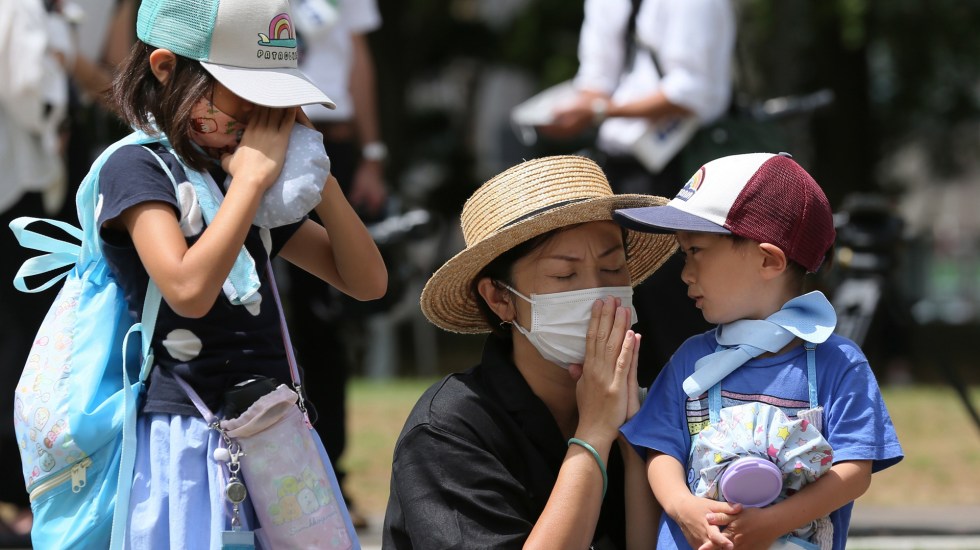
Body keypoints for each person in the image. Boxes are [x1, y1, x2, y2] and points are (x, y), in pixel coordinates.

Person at [101, 0, 387, 546]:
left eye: (277, 102)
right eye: (249, 95)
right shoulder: (136, 169)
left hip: (273, 431)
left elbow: (366, 281)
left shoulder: (236, 181)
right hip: (184, 436)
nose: (265, 117)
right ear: (166, 70)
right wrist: (252, 184)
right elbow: (187, 290)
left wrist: (316, 177)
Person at [383, 155, 677, 548]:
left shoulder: (654, 403)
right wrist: (593, 433)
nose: (597, 297)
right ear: (500, 298)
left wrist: (636, 443)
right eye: (564, 275)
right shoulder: (448, 430)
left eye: (612, 269)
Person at [613, 152, 904, 549]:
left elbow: (854, 470)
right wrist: (683, 507)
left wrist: (773, 522)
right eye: (683, 254)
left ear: (768, 260)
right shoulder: (690, 359)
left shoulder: (838, 362)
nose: (684, 272)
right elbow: (662, 451)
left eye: (695, 250)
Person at [539, 0, 737, 382]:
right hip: (618, 165)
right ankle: (636, 422)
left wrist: (597, 112)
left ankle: (697, 419)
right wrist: (570, 111)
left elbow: (694, 92)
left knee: (680, 303)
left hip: (680, 167)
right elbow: (595, 79)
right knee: (630, 306)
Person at [285, 0, 387, 527]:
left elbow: (357, 56)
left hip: (332, 136)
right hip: (253, 130)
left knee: (325, 326)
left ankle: (331, 471)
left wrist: (372, 152)